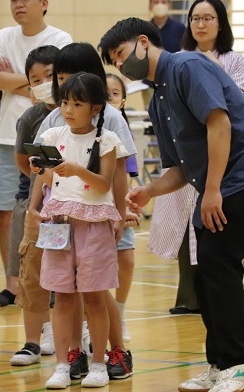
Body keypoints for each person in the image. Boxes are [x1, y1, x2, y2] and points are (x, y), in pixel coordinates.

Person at [99, 17, 244, 392]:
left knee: (218, 261)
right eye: (114, 62)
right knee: (204, 270)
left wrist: (214, 190)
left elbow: (219, 124)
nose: (120, 66)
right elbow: (179, 168)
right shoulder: (157, 100)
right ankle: (220, 363)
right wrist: (149, 191)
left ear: (143, 43)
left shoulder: (188, 66)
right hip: (220, 182)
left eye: (121, 55)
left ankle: (239, 362)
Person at [32, 42, 136, 382]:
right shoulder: (53, 126)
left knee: (96, 292)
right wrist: (36, 202)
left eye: (75, 96)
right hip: (59, 221)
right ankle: (69, 359)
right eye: (61, 82)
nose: (68, 104)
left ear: (94, 103)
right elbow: (45, 176)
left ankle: (110, 353)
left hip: (98, 219)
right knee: (62, 293)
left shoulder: (109, 129)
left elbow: (115, 178)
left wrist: (120, 216)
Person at [148, 0, 244, 316]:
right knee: (183, 222)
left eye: (208, 18)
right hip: (188, 153)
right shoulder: (178, 58)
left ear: (220, 23)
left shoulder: (234, 60)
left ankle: (217, 295)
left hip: (222, 153)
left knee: (217, 220)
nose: (201, 24)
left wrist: (212, 70)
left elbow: (240, 102)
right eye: (195, 18)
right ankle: (187, 296)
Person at [0, 0, 72, 307]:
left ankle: (49, 282)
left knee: (51, 210)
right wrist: (36, 83)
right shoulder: (4, 35)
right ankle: (13, 285)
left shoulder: (61, 37)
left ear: (44, 2)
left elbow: (59, 84)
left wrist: (17, 82)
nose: (18, 4)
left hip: (54, 138)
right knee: (7, 211)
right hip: (10, 136)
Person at [8, 45, 60, 367]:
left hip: (67, 208)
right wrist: (41, 191)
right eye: (35, 79)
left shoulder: (76, 113)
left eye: (49, 76)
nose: (42, 84)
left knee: (62, 274)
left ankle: (62, 333)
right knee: (32, 274)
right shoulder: (30, 117)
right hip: (35, 205)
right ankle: (32, 341)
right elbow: (20, 161)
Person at [106, 73, 140, 342]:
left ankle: (120, 311)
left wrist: (123, 206)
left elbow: (125, 175)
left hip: (119, 206)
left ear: (123, 101)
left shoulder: (122, 132)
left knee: (126, 260)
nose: (109, 98)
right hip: (91, 205)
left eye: (114, 93)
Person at [141, 0, 187, 109]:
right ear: (150, 6)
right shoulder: (143, 29)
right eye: (156, 2)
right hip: (149, 84)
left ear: (169, 5)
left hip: (175, 83)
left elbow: (186, 52)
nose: (160, 5)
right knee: (151, 118)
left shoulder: (180, 28)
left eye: (163, 2)